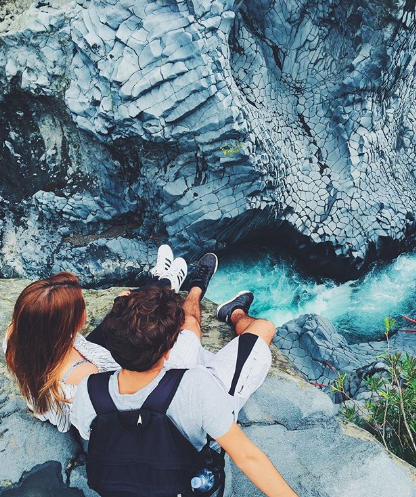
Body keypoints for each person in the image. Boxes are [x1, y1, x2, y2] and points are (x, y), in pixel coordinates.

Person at [71, 283, 299, 497]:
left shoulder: (89, 390)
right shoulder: (197, 385)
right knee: (263, 327)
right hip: (193, 408)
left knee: (189, 326)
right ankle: (233, 312)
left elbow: (89, 434)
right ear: (169, 350)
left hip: (159, 385)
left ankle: (196, 290)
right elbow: (248, 457)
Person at [3, 245, 191, 432]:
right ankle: (170, 285)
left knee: (124, 304)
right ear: (68, 325)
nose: (86, 310)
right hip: (98, 388)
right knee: (134, 317)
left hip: (65, 363)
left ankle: (162, 281)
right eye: (83, 307)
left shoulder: (15, 333)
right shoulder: (85, 373)